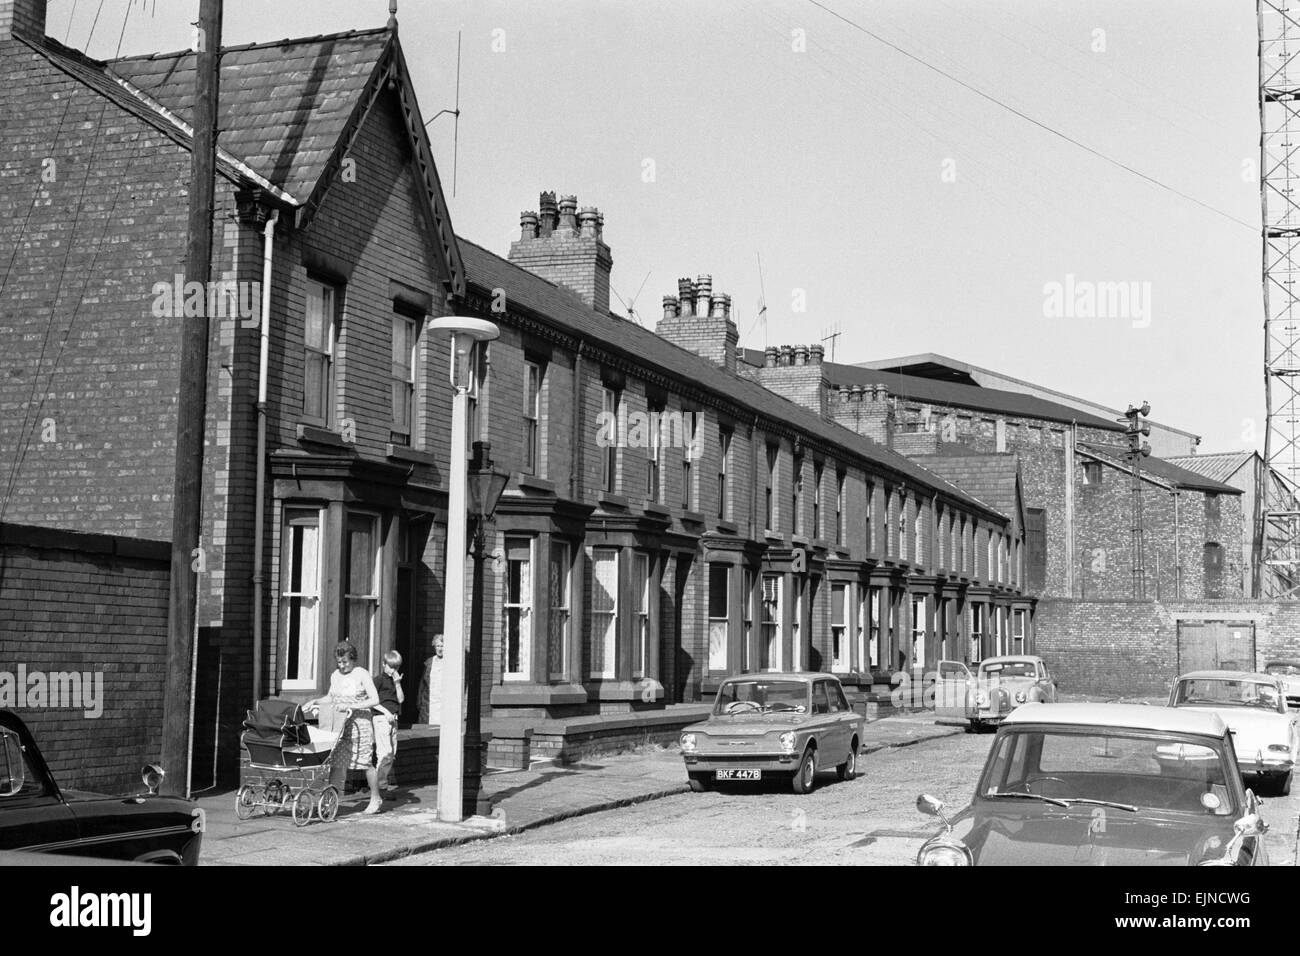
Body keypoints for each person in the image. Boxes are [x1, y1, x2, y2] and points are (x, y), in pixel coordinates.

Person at [305, 641, 383, 815]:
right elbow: (331, 698)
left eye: (345, 662)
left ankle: (376, 798)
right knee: (336, 763)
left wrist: (352, 706)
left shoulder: (361, 673)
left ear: (353, 659)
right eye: (339, 662)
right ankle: (331, 801)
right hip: (340, 724)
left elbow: (375, 699)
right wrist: (316, 701)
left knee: (365, 762)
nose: (342, 666)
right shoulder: (335, 675)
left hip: (360, 724)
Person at [373, 650, 404, 794]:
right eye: (391, 667)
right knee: (385, 752)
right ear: (384, 664)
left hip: (393, 719)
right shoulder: (379, 680)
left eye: (396, 667)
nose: (393, 670)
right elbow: (371, 701)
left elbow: (401, 699)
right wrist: (385, 712)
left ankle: (381, 784)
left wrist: (397, 683)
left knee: (391, 753)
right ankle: (380, 787)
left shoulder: (394, 681)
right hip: (382, 718)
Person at [418, 634, 445, 725]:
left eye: (442, 646)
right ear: (434, 646)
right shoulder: (429, 662)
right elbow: (423, 683)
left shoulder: (449, 662)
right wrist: (419, 700)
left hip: (443, 703)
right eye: (438, 646)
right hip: (429, 702)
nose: (440, 649)